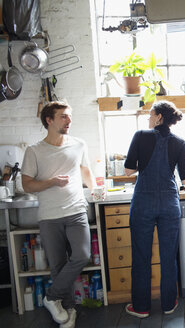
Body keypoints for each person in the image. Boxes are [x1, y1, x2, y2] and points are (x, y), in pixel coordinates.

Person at [123, 100, 185, 318]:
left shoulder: (140, 136)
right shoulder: (180, 143)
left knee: (141, 256)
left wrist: (144, 165)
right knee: (168, 256)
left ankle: (141, 307)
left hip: (143, 204)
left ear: (159, 117)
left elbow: (128, 171)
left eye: (150, 114)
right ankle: (168, 304)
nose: (148, 118)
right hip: (169, 206)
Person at [21, 101, 95, 328]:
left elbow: (85, 170)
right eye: (63, 116)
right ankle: (68, 311)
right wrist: (52, 182)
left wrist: (93, 190)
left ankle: (51, 298)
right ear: (49, 120)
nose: (69, 120)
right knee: (58, 266)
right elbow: (27, 185)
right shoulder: (34, 151)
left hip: (76, 211)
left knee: (82, 256)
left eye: (69, 116)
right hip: (49, 216)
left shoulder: (79, 144)